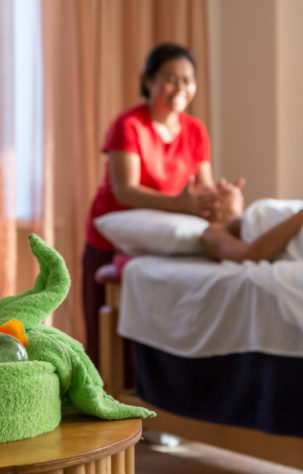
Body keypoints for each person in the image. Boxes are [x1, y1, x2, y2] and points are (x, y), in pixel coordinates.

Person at [82, 42, 242, 367]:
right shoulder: (129, 125)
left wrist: (220, 199)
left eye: (187, 80)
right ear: (148, 81)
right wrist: (180, 205)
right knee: (107, 346)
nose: (180, 88)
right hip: (112, 241)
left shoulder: (195, 131)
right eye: (170, 79)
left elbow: (202, 189)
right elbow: (125, 191)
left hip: (162, 245)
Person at [201, 190, 303, 263]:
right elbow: (251, 255)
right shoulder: (212, 232)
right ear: (210, 208)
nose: (223, 182)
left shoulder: (249, 214)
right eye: (217, 188)